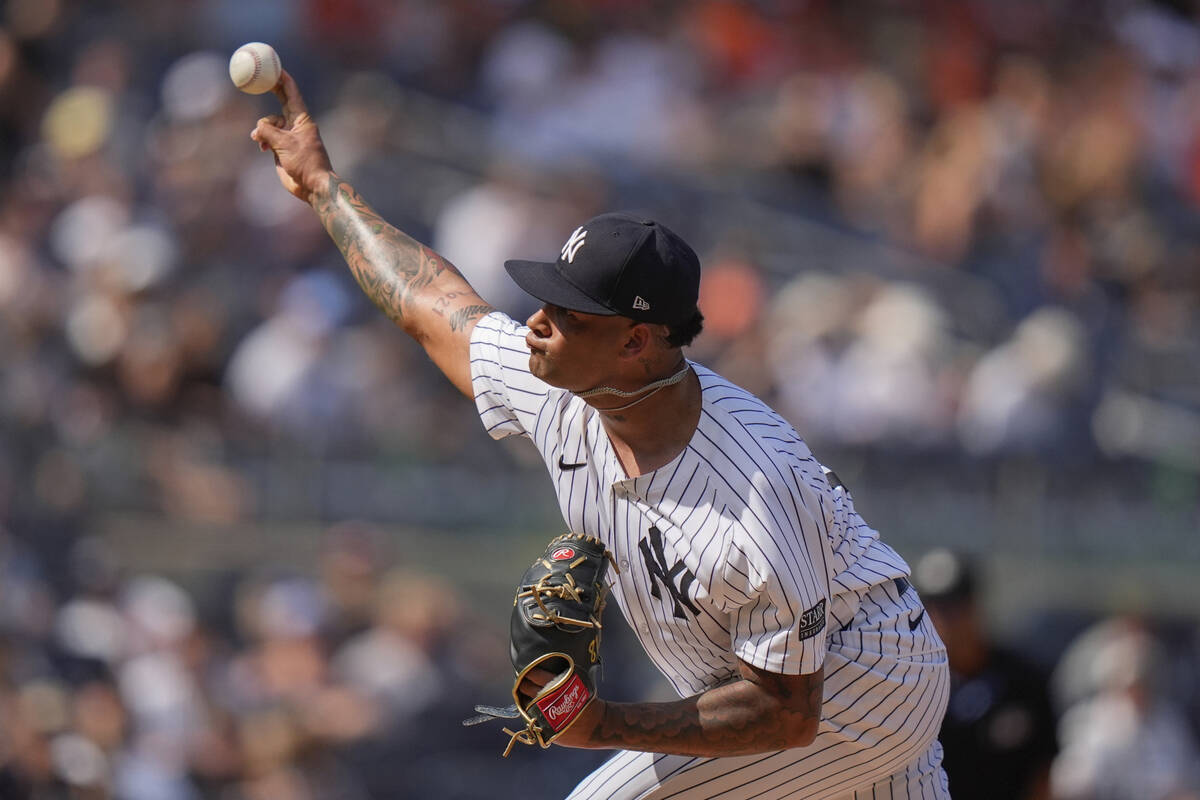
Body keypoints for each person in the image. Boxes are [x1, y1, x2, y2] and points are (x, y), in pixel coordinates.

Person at [249, 71, 951, 800]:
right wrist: (325, 188)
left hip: (859, 683)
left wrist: (599, 722)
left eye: (571, 314)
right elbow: (433, 306)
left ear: (636, 342)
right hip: (787, 687)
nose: (538, 323)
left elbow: (785, 713)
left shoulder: (752, 486)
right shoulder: (567, 391)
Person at [912, 549, 1058, 800]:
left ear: (974, 606)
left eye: (954, 606)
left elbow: (1043, 772)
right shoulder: (911, 686)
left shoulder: (1023, 680)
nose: (945, 619)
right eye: (932, 607)